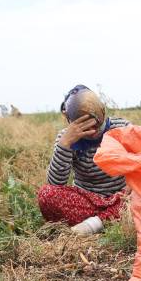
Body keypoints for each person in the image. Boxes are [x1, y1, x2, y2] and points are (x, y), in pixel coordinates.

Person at [37, 85, 129, 235]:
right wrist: (65, 144)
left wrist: (132, 187)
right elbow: (55, 184)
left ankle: (95, 223)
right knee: (46, 195)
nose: (93, 133)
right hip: (89, 201)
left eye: (97, 125)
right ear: (71, 121)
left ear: (103, 112)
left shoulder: (122, 128)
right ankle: (109, 218)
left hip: (123, 197)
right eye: (85, 126)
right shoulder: (66, 138)